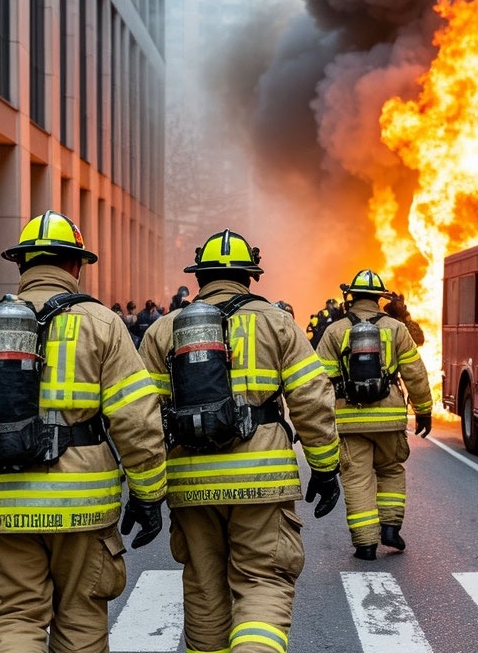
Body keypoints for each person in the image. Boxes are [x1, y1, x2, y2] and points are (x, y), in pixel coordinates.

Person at [0, 210, 167, 653]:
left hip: (2, 505)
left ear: (21, 265)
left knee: (14, 622)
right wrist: (148, 495)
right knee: (81, 623)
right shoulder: (104, 324)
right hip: (84, 507)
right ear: (75, 265)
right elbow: (138, 421)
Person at [138, 228, 341, 653]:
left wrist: (148, 491)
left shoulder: (164, 330)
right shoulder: (277, 322)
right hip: (262, 478)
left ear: (199, 277)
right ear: (250, 277)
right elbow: (312, 400)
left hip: (190, 482)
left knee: (204, 589)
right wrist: (324, 467)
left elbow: (144, 418)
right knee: (263, 581)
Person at [315, 269, 433, 561]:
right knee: (391, 470)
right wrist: (424, 410)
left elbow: (321, 382)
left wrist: (321, 421)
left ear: (351, 297)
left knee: (357, 479)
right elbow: (415, 373)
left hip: (349, 420)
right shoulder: (396, 328)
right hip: (389, 418)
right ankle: (390, 529)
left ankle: (365, 544)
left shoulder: (335, 331)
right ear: (380, 298)